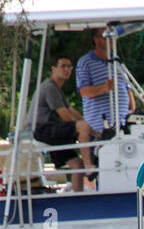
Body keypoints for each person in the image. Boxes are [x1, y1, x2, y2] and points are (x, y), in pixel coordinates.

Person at [31, 55, 97, 191]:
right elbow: (66, 117)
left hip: (52, 131)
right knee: (81, 126)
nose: (67, 70)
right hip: (42, 130)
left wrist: (93, 131)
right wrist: (83, 128)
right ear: (54, 69)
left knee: (77, 165)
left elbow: (71, 111)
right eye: (63, 66)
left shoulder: (57, 89)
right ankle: (89, 165)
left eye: (69, 67)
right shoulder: (49, 87)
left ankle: (77, 199)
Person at [76, 27, 135, 135]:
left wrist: (132, 110)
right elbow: (84, 91)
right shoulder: (85, 62)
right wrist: (104, 88)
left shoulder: (116, 61)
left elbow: (127, 87)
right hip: (100, 131)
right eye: (106, 36)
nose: (111, 39)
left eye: (112, 35)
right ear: (96, 39)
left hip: (122, 128)